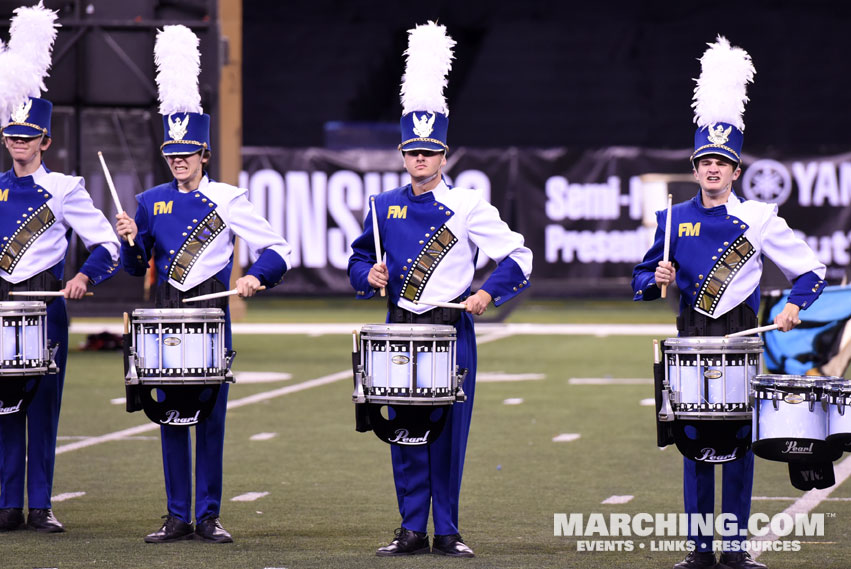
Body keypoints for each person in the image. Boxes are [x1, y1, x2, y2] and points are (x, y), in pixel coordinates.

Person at [632, 37, 826, 569]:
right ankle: (699, 551)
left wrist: (795, 306)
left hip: (741, 331)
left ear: (736, 170)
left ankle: (736, 550)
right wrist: (657, 278)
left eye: (722, 162)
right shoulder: (671, 220)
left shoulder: (760, 218)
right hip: (691, 330)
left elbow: (811, 268)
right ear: (694, 169)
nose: (713, 169)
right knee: (694, 441)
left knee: (738, 442)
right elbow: (641, 280)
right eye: (705, 162)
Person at [347, 21, 533, 558]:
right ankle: (410, 528)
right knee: (403, 429)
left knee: (448, 433)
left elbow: (518, 255)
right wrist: (368, 277)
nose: (420, 159)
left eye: (429, 151)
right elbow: (358, 260)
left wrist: (487, 294)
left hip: (451, 325)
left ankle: (446, 530)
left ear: (444, 154)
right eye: (412, 151)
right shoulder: (382, 205)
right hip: (400, 322)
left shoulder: (469, 204)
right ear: (403, 153)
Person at [114, 25, 291, 544]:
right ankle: (176, 515)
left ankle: (208, 515)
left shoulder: (229, 200)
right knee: (169, 413)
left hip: (212, 314)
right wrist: (128, 240)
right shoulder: (148, 201)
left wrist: (257, 277)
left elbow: (279, 248)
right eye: (172, 152)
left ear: (205, 154)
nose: (179, 159)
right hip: (165, 315)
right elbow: (135, 266)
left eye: (187, 152)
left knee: (210, 416)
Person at [0, 4, 121, 534]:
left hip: (46, 304)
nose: (19, 143)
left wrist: (84, 276)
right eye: (12, 135)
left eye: (28, 137)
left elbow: (107, 246)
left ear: (45, 141)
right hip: (3, 305)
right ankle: (7, 504)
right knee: (3, 406)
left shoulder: (66, 188)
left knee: (43, 409)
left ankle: (41, 503)